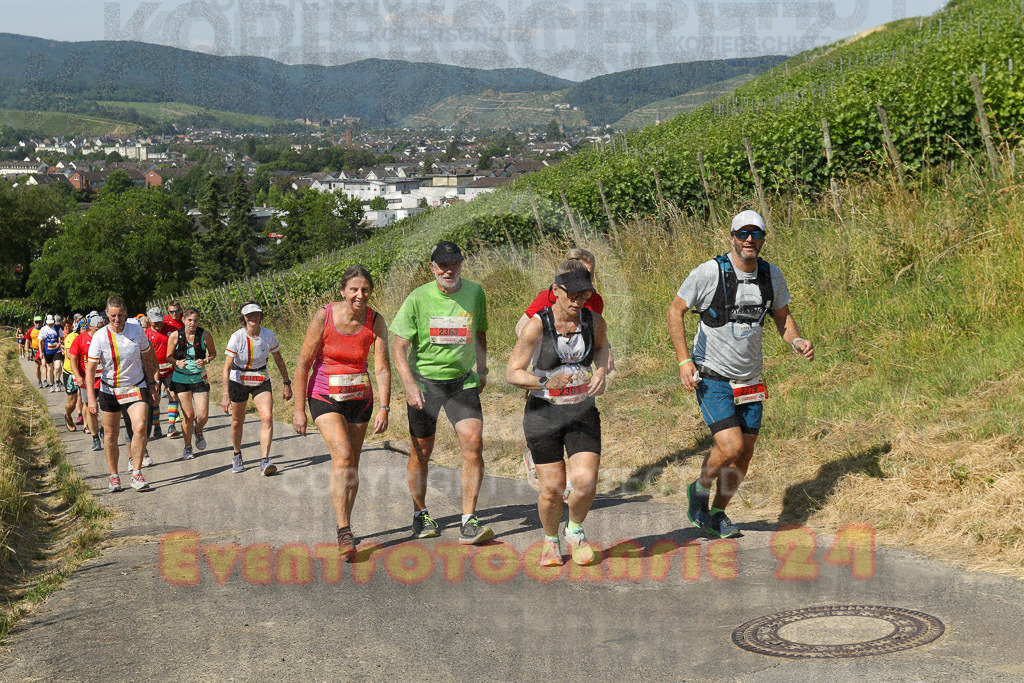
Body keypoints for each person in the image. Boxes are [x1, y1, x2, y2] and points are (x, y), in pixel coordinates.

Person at [667, 210, 814, 539]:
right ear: (732, 236)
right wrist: (683, 361)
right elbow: (675, 309)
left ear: (763, 238)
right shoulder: (709, 273)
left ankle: (718, 513)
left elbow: (782, 316)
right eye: (744, 234)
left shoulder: (771, 275)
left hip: (750, 379)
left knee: (744, 452)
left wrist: (797, 341)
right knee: (730, 446)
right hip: (713, 374)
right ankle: (699, 489)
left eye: (757, 234)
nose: (750, 240)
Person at [506, 260, 611, 567]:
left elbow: (603, 348)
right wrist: (543, 381)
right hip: (543, 413)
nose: (579, 300)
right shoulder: (538, 324)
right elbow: (512, 372)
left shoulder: (594, 321)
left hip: (581, 411)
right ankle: (550, 541)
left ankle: (575, 533)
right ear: (556, 291)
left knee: (585, 481)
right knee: (552, 490)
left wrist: (601, 370)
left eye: (585, 294)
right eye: (573, 294)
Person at [391, 241, 493, 545]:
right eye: (443, 265)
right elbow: (398, 346)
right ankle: (420, 513)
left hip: (462, 382)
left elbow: (480, 332)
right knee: (421, 452)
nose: (449, 270)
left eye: (455, 264)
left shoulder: (475, 293)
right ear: (432, 268)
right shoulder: (418, 298)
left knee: (473, 444)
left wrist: (483, 370)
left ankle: (468, 520)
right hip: (425, 385)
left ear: (461, 265)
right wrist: (409, 385)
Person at [293, 268, 391, 555]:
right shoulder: (324, 316)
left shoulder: (375, 320)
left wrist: (384, 406)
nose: (360, 295)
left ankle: (345, 524)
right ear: (343, 291)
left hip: (360, 397)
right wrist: (299, 410)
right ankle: (344, 530)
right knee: (343, 456)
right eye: (354, 289)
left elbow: (382, 367)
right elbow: (303, 363)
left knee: (352, 466)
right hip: (324, 395)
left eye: (365, 290)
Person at [86, 296, 158, 492]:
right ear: (107, 315)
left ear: (126, 313)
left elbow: (148, 355)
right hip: (110, 390)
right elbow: (90, 369)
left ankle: (136, 473)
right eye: (113, 316)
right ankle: (114, 476)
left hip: (135, 386)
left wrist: (152, 383)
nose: (117, 320)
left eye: (121, 315)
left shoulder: (136, 330)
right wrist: (91, 399)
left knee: (141, 426)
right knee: (110, 435)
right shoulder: (100, 336)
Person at [222, 301, 294, 475]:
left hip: (261, 378)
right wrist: (225, 394)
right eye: (249, 315)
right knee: (238, 421)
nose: (253, 318)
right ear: (244, 318)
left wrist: (286, 383)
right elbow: (226, 367)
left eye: (257, 314)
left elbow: (278, 359)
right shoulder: (236, 337)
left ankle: (264, 460)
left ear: (261, 316)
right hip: (239, 379)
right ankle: (237, 454)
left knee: (267, 417)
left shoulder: (269, 335)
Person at [166, 308, 216, 460]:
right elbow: (168, 356)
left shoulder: (205, 335)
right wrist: (176, 362)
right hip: (181, 380)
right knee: (188, 415)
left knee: (203, 415)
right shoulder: (175, 336)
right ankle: (187, 447)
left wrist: (206, 360)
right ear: (183, 320)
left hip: (199, 378)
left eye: (195, 320)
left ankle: (198, 430)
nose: (192, 323)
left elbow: (213, 354)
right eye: (189, 320)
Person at [70, 316, 104, 451]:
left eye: (101, 329)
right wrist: (78, 376)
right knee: (90, 409)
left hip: (104, 380)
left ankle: (103, 430)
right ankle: (95, 437)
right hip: (87, 381)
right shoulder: (81, 339)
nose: (99, 332)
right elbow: (73, 358)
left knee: (107, 409)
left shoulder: (106, 337)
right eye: (96, 329)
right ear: (90, 327)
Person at [141, 312, 170, 440]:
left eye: (160, 321)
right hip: (150, 372)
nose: (158, 325)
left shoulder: (170, 330)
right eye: (155, 322)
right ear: (149, 320)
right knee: (151, 401)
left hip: (166, 370)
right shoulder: (144, 334)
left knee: (165, 397)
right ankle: (153, 426)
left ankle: (165, 426)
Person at [160, 301, 184, 437]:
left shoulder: (185, 320)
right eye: (171, 311)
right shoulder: (164, 321)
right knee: (173, 394)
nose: (174, 314)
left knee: (181, 393)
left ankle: (180, 419)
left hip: (181, 362)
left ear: (180, 310)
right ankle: (168, 425)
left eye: (176, 311)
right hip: (166, 363)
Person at [61, 318, 83, 431]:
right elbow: (70, 355)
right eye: (84, 328)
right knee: (72, 402)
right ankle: (68, 416)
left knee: (85, 398)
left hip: (84, 372)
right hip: (70, 373)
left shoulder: (92, 337)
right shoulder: (71, 337)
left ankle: (86, 424)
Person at [29, 315, 43, 385]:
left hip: (44, 350)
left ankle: (47, 381)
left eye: (39, 322)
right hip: (35, 350)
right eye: (36, 322)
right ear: (34, 322)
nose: (38, 324)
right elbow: (27, 340)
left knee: (45, 365)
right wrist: (26, 351)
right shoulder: (31, 330)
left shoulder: (44, 329)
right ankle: (39, 381)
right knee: (37, 366)